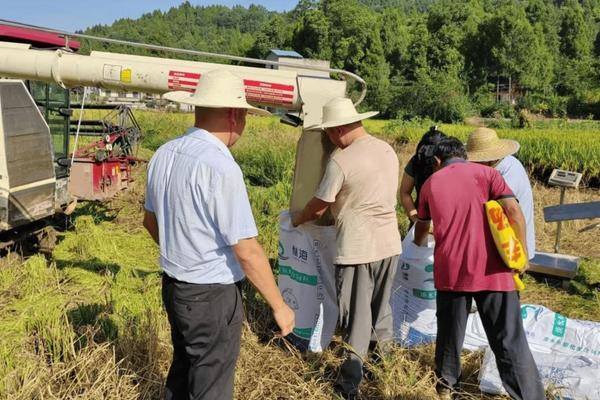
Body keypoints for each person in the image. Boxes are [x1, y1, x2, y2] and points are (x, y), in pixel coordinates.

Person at [143, 70, 295, 400]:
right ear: (234, 114)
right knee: (211, 384)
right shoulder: (220, 166)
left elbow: (150, 222)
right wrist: (279, 305)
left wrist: (182, 248)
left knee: (184, 370)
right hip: (211, 296)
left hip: (174, 288)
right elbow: (247, 250)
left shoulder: (163, 154)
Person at [413, 137, 544, 400]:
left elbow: (421, 229)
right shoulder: (488, 174)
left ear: (437, 161)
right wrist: (521, 256)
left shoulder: (431, 182)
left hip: (451, 273)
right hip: (494, 272)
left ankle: (447, 389)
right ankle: (529, 396)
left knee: (449, 337)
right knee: (508, 340)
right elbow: (514, 213)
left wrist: (419, 237)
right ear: (465, 155)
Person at [292, 97, 401, 399]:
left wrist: (297, 218)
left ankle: (349, 384)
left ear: (337, 130)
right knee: (381, 311)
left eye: (328, 132)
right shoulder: (386, 149)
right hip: (390, 244)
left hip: (358, 248)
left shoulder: (342, 160)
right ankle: (385, 369)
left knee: (357, 319)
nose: (328, 137)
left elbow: (317, 207)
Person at [466, 127, 536, 260]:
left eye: (475, 160)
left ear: (489, 159)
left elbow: (511, 211)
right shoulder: (492, 168)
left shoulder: (509, 170)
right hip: (499, 241)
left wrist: (523, 254)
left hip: (512, 241)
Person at [399, 127, 447, 224]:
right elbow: (405, 192)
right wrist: (414, 217)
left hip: (447, 218)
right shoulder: (417, 160)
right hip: (421, 216)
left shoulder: (450, 161)